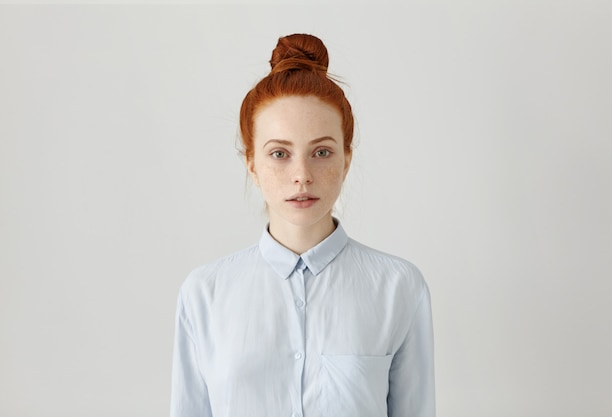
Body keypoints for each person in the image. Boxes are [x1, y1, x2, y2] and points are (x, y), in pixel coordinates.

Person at [170, 33, 435, 417]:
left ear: (346, 159)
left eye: (321, 152)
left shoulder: (398, 287)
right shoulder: (204, 294)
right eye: (279, 153)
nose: (302, 175)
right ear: (252, 163)